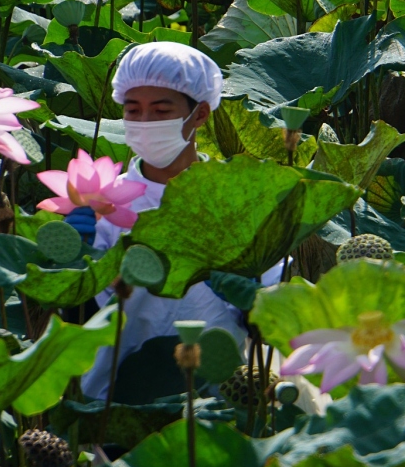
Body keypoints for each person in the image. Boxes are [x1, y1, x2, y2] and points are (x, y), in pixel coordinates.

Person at [69, 41, 283, 400]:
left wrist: (249, 293)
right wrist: (68, 264)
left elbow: (275, 313)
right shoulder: (101, 203)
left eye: (161, 110)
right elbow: (75, 320)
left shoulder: (240, 202)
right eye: (133, 110)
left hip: (220, 398)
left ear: (200, 114)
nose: (144, 123)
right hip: (109, 402)